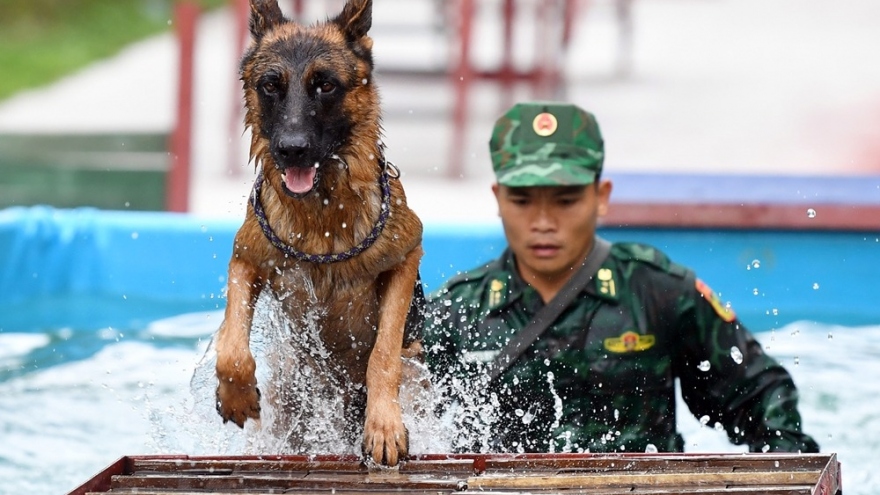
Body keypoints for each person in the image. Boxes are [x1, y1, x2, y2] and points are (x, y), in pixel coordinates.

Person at [423, 101, 819, 454]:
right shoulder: (455, 314)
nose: (543, 222)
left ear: (602, 196)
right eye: (522, 201)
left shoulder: (657, 291)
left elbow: (760, 399)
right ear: (497, 199)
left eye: (566, 200)